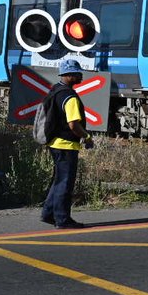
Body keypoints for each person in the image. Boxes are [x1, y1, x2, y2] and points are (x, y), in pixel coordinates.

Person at [40, 59, 94, 229]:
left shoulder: (56, 90)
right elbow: (73, 125)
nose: (81, 75)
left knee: (58, 181)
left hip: (54, 143)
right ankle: (63, 220)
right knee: (65, 183)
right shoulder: (70, 97)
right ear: (69, 75)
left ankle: (48, 214)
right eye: (77, 73)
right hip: (66, 145)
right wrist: (87, 137)